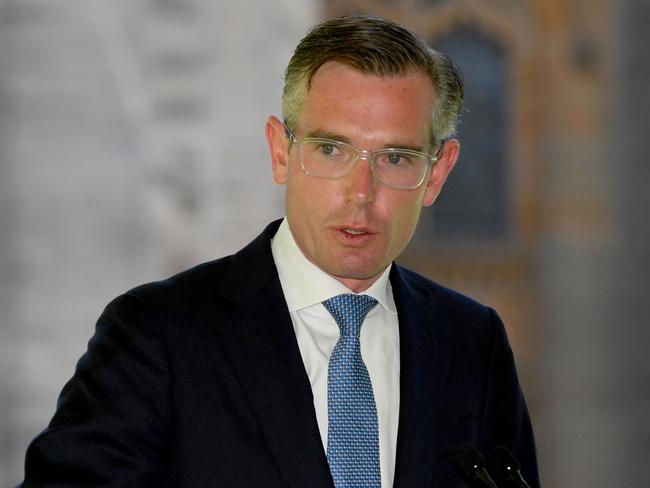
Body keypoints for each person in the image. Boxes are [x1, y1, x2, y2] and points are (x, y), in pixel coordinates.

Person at [20, 15, 539, 487]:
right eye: (331, 150)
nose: (361, 191)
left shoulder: (473, 344)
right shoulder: (157, 334)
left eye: (396, 158)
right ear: (280, 152)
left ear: (438, 173)